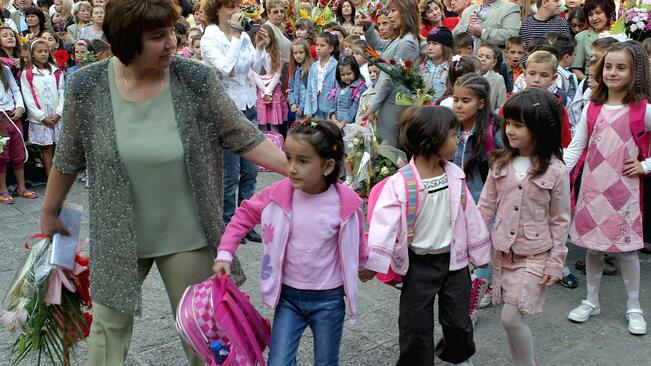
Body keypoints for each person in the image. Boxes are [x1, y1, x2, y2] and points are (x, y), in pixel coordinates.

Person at [39, 1, 287, 365]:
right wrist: (49, 212)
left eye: (171, 31)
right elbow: (68, 158)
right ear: (126, 41)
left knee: (205, 332)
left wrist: (298, 170)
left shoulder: (195, 79)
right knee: (107, 332)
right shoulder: (87, 86)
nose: (171, 42)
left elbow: (242, 135)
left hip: (187, 232)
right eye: (158, 36)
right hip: (118, 234)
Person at [213, 120, 366, 366]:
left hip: (328, 299)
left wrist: (364, 263)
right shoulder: (279, 193)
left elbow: (357, 238)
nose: (291, 168)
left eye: (302, 161)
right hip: (288, 297)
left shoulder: (345, 202)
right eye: (288, 158)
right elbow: (243, 216)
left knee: (326, 362)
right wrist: (225, 254)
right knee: (278, 362)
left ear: (327, 165)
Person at [360, 105, 491, 366]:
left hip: (454, 262)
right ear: (433, 140)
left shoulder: (455, 175)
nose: (458, 140)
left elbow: (470, 217)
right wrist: (372, 264)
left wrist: (480, 252)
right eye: (453, 136)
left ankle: (458, 354)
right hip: (419, 265)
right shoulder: (399, 184)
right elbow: (382, 227)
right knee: (414, 325)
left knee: (459, 322)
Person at [478, 88, 571, 365]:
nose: (510, 131)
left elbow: (560, 220)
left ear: (540, 128)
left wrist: (556, 263)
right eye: (508, 123)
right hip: (503, 254)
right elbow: (484, 208)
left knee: (510, 316)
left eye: (519, 125)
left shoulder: (555, 170)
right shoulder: (500, 161)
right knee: (510, 321)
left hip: (535, 255)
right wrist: (471, 245)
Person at [564, 41, 650, 336]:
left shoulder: (644, 110)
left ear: (635, 72)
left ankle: (634, 306)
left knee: (627, 251)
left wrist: (645, 166)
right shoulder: (592, 105)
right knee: (593, 247)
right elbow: (577, 145)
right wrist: (556, 172)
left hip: (625, 191)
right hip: (592, 187)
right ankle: (591, 300)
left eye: (621, 67)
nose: (612, 73)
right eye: (608, 66)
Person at [201, 0, 270, 242]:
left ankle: (246, 223)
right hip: (226, 109)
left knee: (250, 171)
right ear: (217, 10)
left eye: (236, 6)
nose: (235, 12)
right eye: (230, 7)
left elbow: (257, 68)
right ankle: (229, 224)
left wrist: (260, 48)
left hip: (249, 105)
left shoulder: (242, 36)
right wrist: (239, 35)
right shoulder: (210, 38)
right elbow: (227, 69)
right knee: (231, 172)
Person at [357, 0, 420, 147]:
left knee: (388, 151)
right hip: (387, 101)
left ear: (405, 13)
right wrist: (368, 26)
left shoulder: (407, 43)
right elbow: (378, 45)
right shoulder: (400, 38)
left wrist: (373, 108)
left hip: (393, 103)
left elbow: (390, 78)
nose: (389, 16)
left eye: (393, 11)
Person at [21, 39, 64, 178]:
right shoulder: (27, 73)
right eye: (39, 51)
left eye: (46, 51)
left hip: (56, 117)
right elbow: (29, 98)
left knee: (58, 148)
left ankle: (60, 177)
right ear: (32, 54)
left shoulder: (56, 71)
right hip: (41, 119)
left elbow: (62, 93)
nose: (44, 54)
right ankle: (51, 178)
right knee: (47, 149)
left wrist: (58, 113)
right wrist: (41, 117)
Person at [0, 63, 30, 204]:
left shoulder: (5, 69)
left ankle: (21, 187)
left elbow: (15, 90)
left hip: (13, 115)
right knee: (2, 155)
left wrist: (19, 107)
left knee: (18, 152)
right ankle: (3, 189)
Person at [250, 23, 287, 134]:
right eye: (262, 36)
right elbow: (253, 72)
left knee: (274, 123)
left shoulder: (277, 53)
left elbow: (277, 74)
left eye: (267, 36)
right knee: (262, 124)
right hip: (260, 91)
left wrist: (268, 92)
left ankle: (276, 144)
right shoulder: (254, 53)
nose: (265, 40)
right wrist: (264, 91)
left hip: (273, 90)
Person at [570, 0, 615, 80]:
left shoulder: (619, 33)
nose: (594, 18)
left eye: (598, 13)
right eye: (590, 14)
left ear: (608, 14)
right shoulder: (582, 37)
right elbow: (576, 68)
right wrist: (588, 81)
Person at [452, 0, 521, 49]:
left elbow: (511, 36)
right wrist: (467, 27)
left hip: (494, 64)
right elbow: (453, 35)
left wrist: (482, 32)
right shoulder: (469, 10)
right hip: (467, 64)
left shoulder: (510, 8)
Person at [304, 32, 338, 120]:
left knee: (329, 130)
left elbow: (338, 89)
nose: (318, 48)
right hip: (315, 106)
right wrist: (308, 111)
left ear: (331, 48)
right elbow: (309, 89)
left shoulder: (336, 66)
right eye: (317, 45)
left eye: (322, 45)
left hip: (330, 107)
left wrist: (335, 110)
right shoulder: (314, 66)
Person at [420, 26, 453, 101]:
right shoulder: (423, 66)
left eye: (435, 43)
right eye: (428, 43)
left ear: (445, 46)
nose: (430, 47)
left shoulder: (452, 67)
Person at [476, 43, 507, 111]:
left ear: (494, 62)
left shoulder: (498, 79)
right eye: (480, 56)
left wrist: (491, 119)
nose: (483, 59)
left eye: (488, 57)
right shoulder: (469, 76)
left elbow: (501, 105)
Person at [288, 39, 314, 120]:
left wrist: (302, 106)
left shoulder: (310, 69)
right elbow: (291, 88)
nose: (298, 55)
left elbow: (310, 91)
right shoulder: (295, 69)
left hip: (308, 109)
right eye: (295, 53)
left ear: (306, 52)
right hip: (298, 108)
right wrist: (292, 103)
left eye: (301, 52)